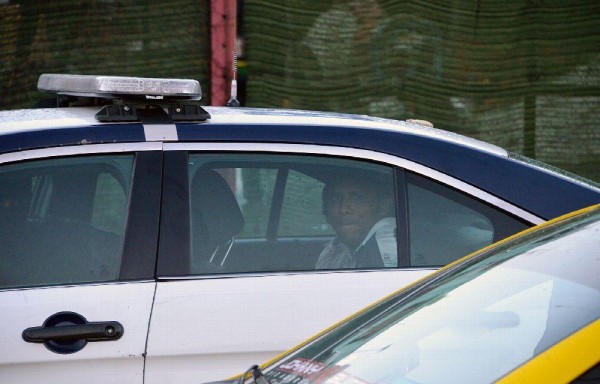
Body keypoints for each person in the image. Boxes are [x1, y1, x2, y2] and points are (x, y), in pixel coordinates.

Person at [316, 172, 397, 270]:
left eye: (357, 198)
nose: (343, 209)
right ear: (326, 213)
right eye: (335, 199)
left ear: (384, 207)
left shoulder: (388, 242)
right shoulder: (331, 252)